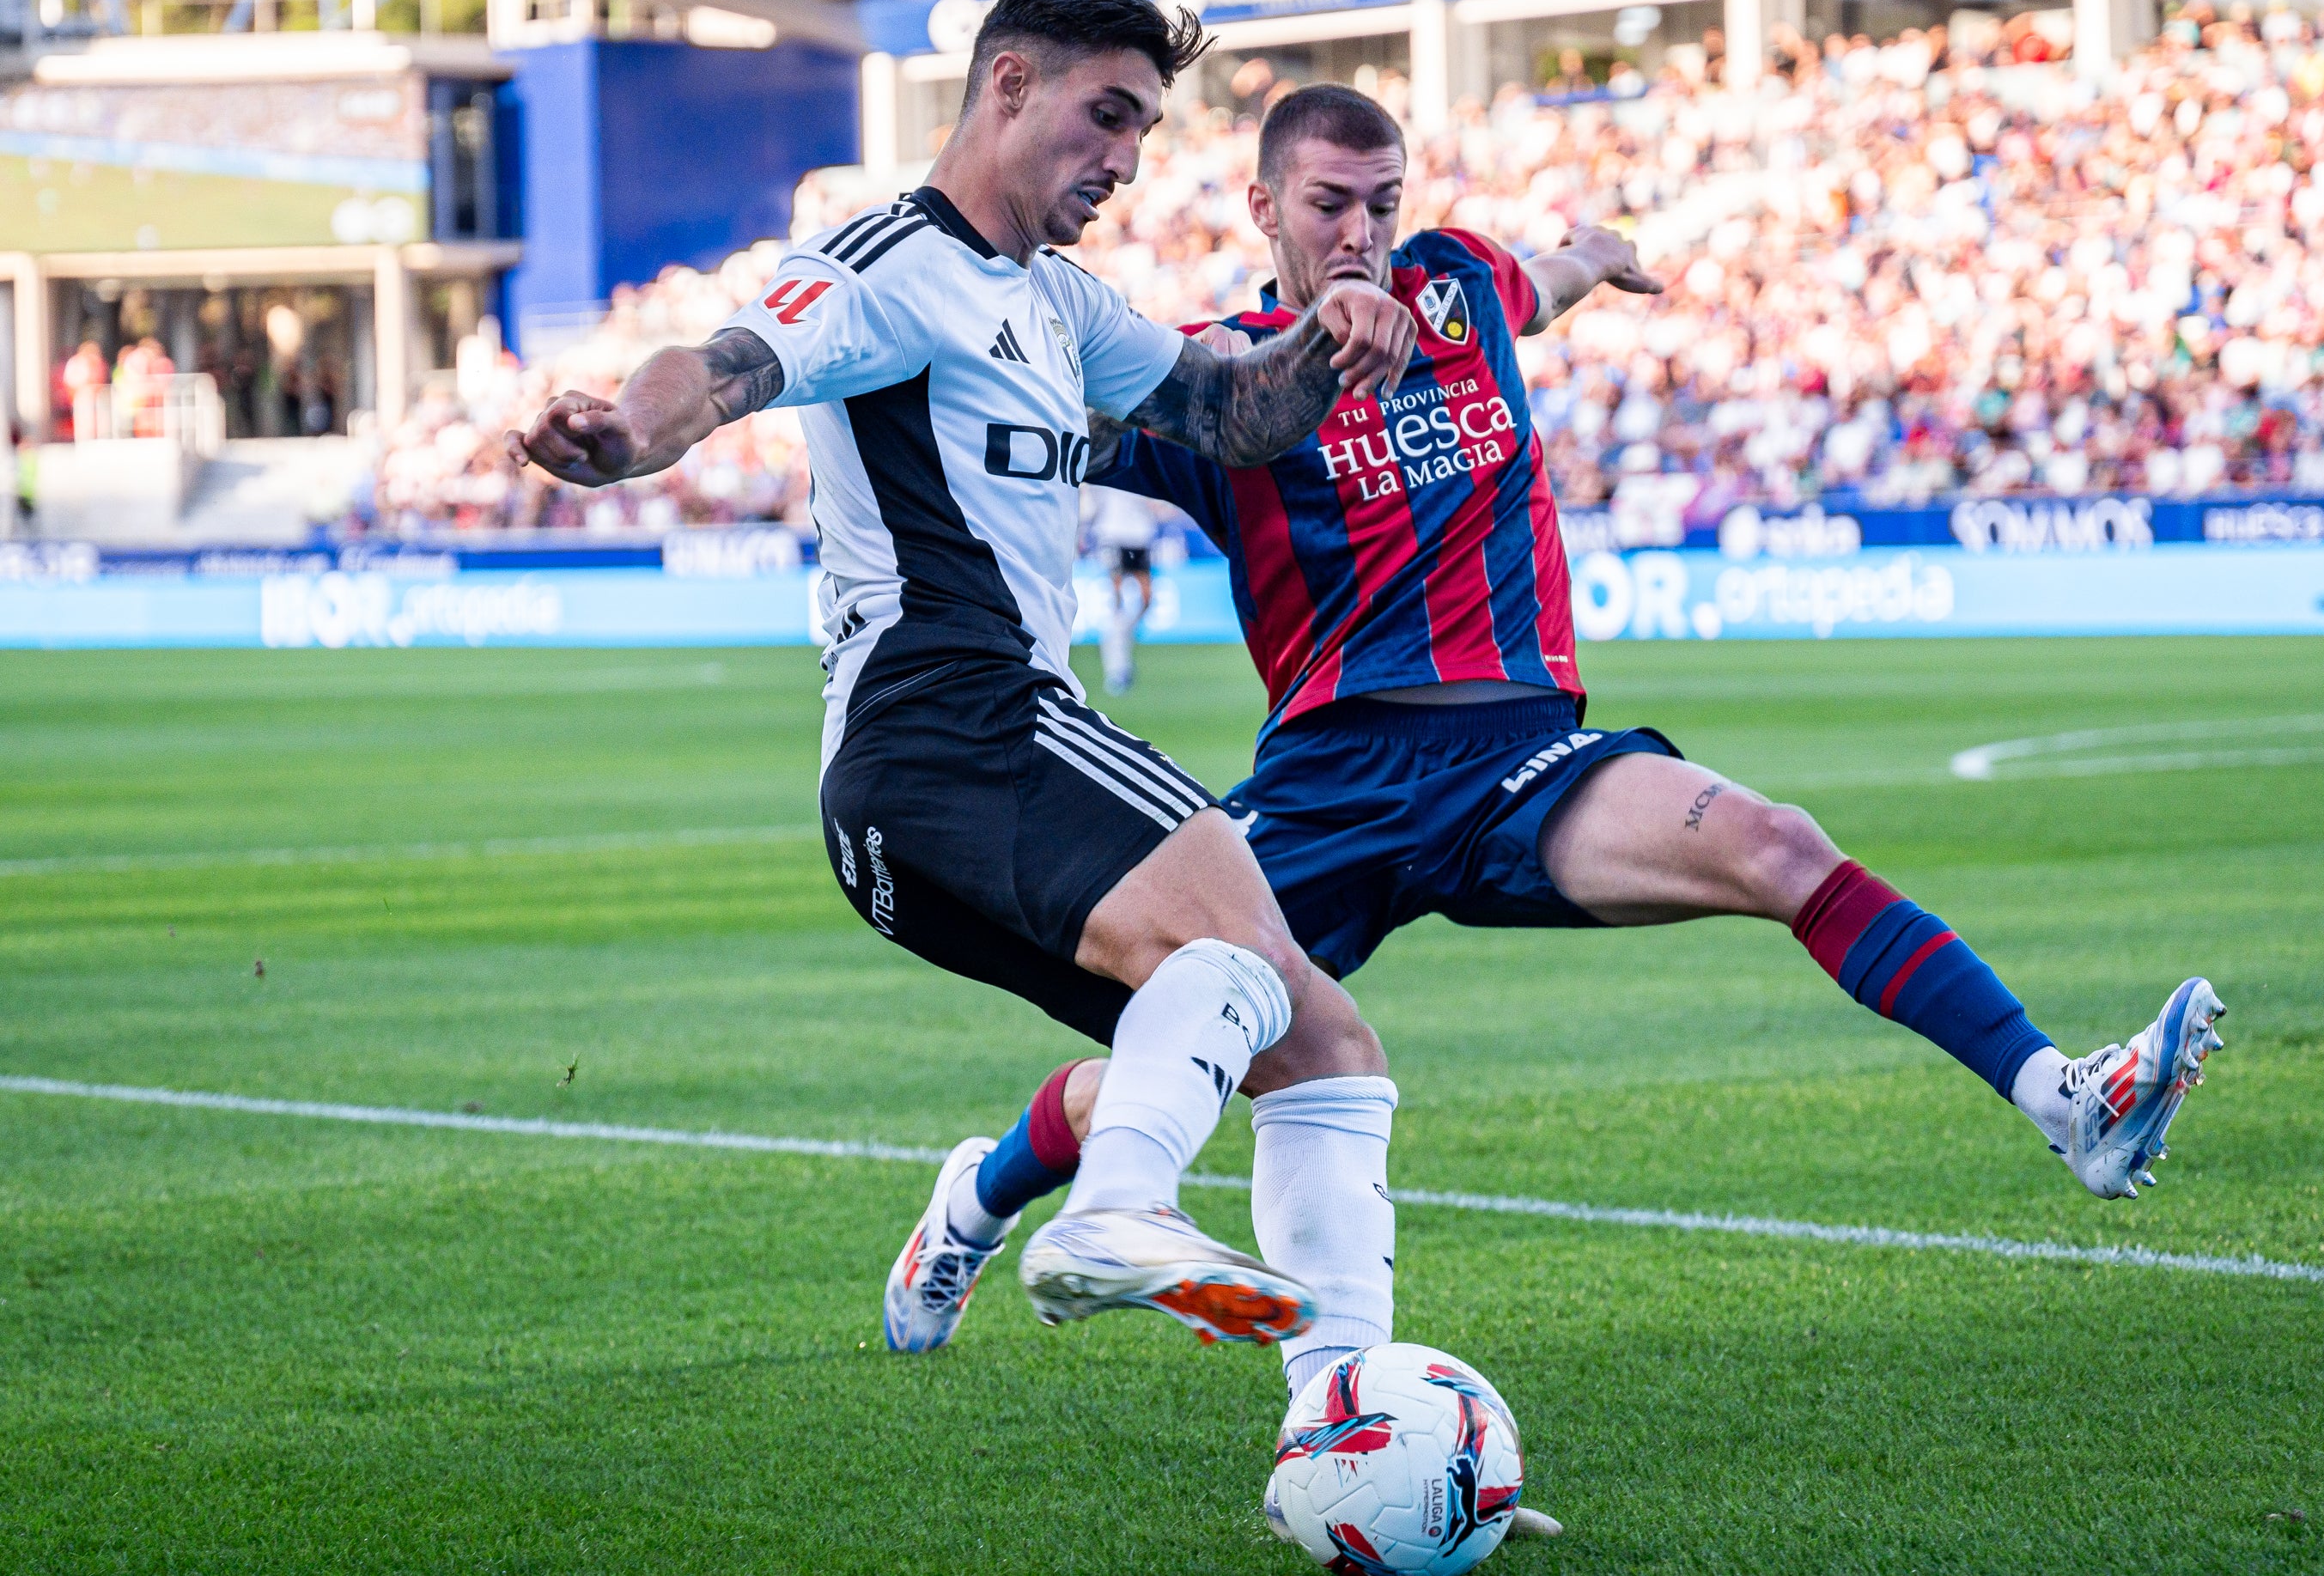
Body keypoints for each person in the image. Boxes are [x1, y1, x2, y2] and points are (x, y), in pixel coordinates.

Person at [891, 85, 2230, 1408]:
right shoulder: (1223, 381)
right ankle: (977, 1199)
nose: (1362, 231)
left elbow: (1544, 277)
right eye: (1329, 205)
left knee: (1776, 843)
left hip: (1523, 762)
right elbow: (1039, 415)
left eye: (1383, 202)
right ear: (1265, 210)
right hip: (1325, 789)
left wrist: (1596, 254)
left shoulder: (1459, 292)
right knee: (1175, 1046)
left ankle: (2069, 1099)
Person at [508, 0, 1421, 1356]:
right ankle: (1114, 1210)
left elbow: (1234, 416)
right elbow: (724, 363)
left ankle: (1346, 1415)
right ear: (1009, 84)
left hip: (936, 788)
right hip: (953, 719)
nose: (1123, 160)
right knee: (1244, 949)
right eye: (1106, 115)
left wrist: (1331, 335)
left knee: (1313, 1042)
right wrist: (631, 438)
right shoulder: (889, 265)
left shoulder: (1056, 302)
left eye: (1142, 131)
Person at [1086, 481, 1160, 695]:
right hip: (1114, 533)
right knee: (1117, 601)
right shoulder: (1103, 468)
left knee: (1147, 600)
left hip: (1141, 535)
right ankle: (1116, 668)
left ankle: (1123, 642)